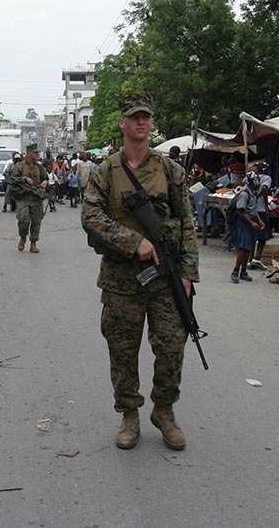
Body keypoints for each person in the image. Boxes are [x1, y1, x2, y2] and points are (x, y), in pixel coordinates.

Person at [82, 92, 199, 451]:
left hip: (166, 278)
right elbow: (90, 217)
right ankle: (130, 415)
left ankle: (163, 411)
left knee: (171, 347)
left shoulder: (170, 171)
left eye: (146, 117)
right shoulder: (105, 172)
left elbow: (188, 223)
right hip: (121, 280)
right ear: (123, 123)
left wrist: (188, 273)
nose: (141, 123)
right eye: (134, 117)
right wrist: (135, 243)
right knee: (122, 349)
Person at [224, 172, 264, 283]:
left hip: (250, 221)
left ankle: (243, 271)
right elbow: (239, 211)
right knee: (244, 248)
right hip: (243, 223)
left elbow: (253, 209)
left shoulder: (252, 193)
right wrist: (251, 222)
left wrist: (259, 220)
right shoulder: (244, 194)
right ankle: (236, 271)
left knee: (248, 248)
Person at [12, 143, 49, 253]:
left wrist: (45, 182)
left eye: (38, 152)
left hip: (36, 198)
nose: (37, 154)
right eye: (35, 152)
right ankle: (23, 237)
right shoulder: (20, 166)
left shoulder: (40, 167)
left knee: (36, 221)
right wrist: (25, 179)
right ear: (29, 154)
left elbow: (46, 178)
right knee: (23, 220)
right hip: (23, 198)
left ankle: (33, 242)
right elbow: (13, 178)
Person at [250, 162, 274, 271]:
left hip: (250, 209)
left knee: (252, 235)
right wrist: (266, 204)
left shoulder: (250, 177)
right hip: (260, 209)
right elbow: (264, 189)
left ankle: (250, 259)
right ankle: (256, 258)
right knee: (263, 236)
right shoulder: (267, 178)